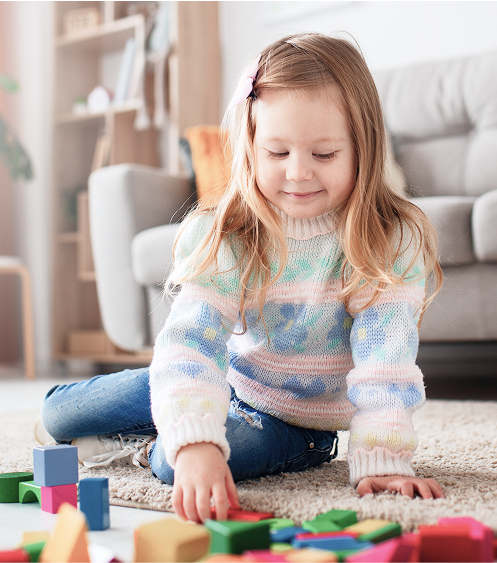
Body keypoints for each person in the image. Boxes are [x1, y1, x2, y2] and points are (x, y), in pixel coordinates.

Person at [39, 32, 445, 524]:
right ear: (250, 146)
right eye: (278, 153)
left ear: (364, 147)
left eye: (324, 155)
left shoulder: (387, 239)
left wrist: (383, 459)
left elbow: (385, 367)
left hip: (297, 425)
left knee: (176, 462)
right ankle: (174, 417)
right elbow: (191, 344)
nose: (298, 174)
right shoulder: (230, 232)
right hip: (229, 380)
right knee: (59, 415)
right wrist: (194, 413)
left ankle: (146, 446)